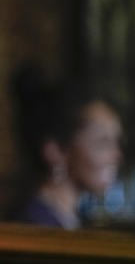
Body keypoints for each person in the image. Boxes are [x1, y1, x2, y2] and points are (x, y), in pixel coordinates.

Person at [7, 65, 123, 229]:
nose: (117, 155)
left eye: (116, 142)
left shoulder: (66, 218)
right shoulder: (34, 227)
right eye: (103, 143)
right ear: (56, 151)